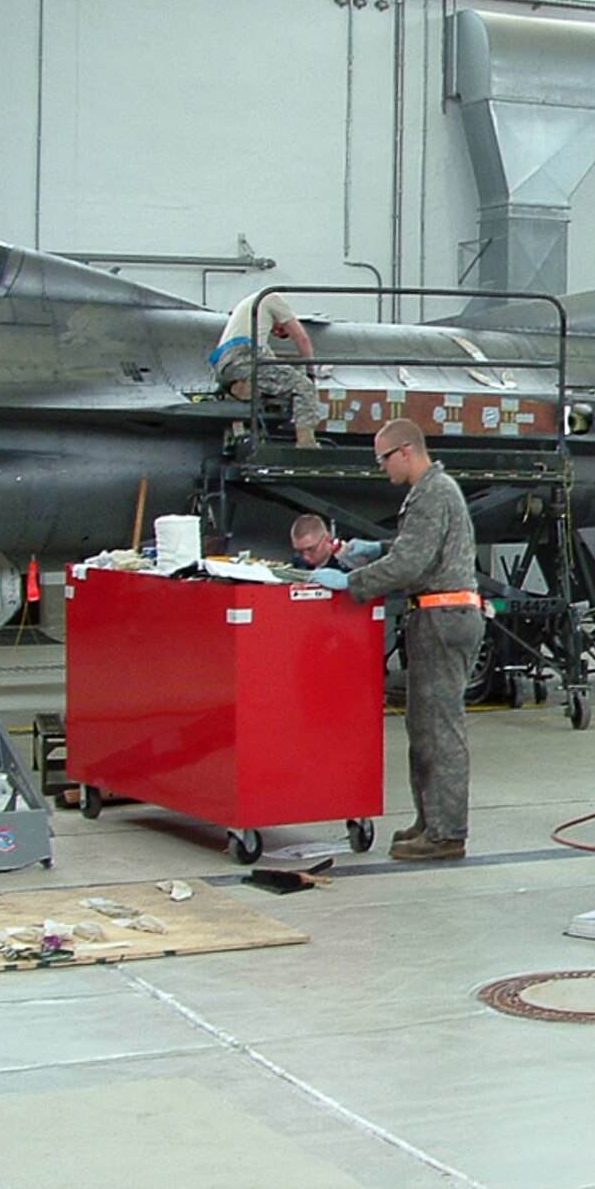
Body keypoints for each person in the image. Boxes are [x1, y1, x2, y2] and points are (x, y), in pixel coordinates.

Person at [309, 419, 482, 862]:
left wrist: (354, 582)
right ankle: (431, 820)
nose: (382, 468)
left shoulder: (433, 493)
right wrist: (374, 551)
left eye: (383, 458)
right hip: (436, 614)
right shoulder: (429, 494)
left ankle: (446, 834)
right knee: (423, 725)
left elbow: (410, 563)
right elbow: (410, 553)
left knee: (440, 727)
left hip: (444, 615)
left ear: (405, 450)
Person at [211, 290, 323, 449]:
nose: (276, 332)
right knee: (303, 386)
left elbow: (274, 369)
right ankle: (307, 444)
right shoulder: (273, 298)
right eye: (281, 330)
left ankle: (246, 387)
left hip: (225, 365)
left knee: (275, 380)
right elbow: (301, 338)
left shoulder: (250, 309)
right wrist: (311, 374)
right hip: (245, 356)